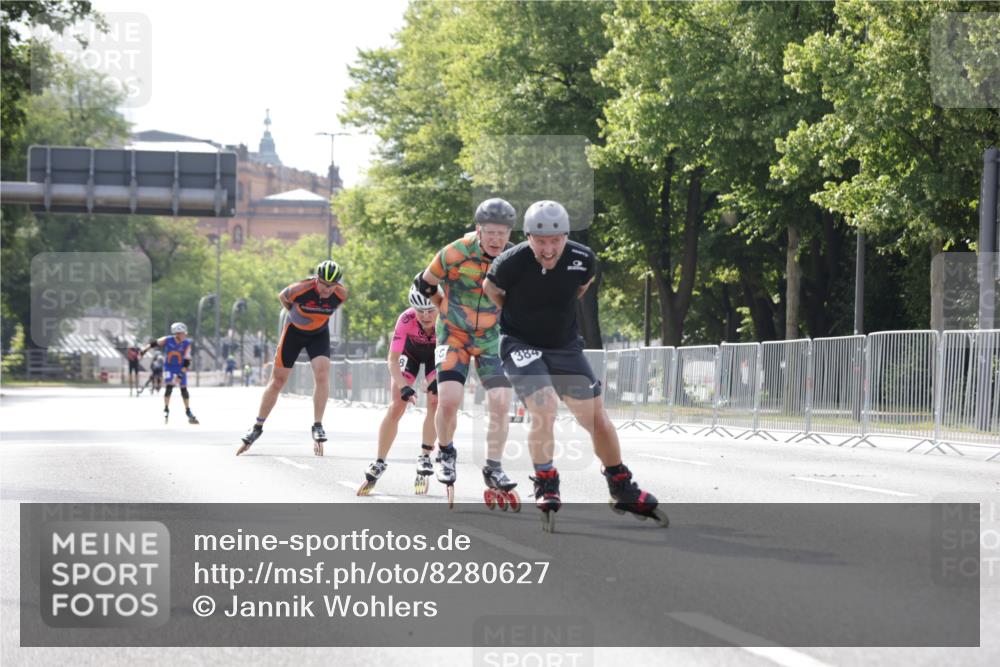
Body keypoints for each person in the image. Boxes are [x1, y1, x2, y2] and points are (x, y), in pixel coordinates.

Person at [484, 200, 667, 531]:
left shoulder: (583, 260)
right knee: (544, 406)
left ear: (566, 236)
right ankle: (545, 480)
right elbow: (492, 289)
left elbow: (581, 288)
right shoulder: (510, 262)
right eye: (541, 241)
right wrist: (521, 318)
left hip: (565, 345)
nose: (549, 249)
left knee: (596, 418)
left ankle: (620, 485)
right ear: (528, 237)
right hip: (521, 343)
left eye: (556, 240)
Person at [413, 198, 518, 506]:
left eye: (502, 233)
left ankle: (494, 467)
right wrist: (444, 308)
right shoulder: (456, 251)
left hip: (490, 338)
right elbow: (425, 281)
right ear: (478, 230)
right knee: (447, 401)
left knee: (501, 403)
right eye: (490, 233)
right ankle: (445, 451)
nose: (496, 239)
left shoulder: (513, 258)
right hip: (454, 335)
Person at [237, 260, 347, 456]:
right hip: (293, 333)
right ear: (317, 279)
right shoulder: (300, 288)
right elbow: (283, 297)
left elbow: (330, 306)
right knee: (278, 381)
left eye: (331, 286)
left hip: (318, 335)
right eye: (323, 284)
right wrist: (295, 315)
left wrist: (314, 320)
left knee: (322, 375)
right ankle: (257, 427)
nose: (326, 289)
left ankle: (317, 425)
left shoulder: (341, 294)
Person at [358, 282, 441, 496]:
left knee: (435, 400)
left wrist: (438, 377)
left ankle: (425, 456)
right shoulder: (406, 319)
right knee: (397, 405)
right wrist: (404, 387)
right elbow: (393, 360)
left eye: (431, 310)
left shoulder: (448, 318)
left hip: (436, 357)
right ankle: (379, 461)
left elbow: (452, 355)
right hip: (409, 354)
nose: (426, 316)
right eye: (420, 311)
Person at [140, 323, 198, 424]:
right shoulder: (168, 339)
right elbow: (155, 343)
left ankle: (188, 411)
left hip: (180, 367)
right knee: (169, 387)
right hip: (168, 368)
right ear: (177, 334)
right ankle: (166, 409)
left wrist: (180, 374)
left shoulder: (187, 344)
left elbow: (187, 361)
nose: (185, 335)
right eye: (183, 333)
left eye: (185, 333)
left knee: (183, 388)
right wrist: (145, 349)